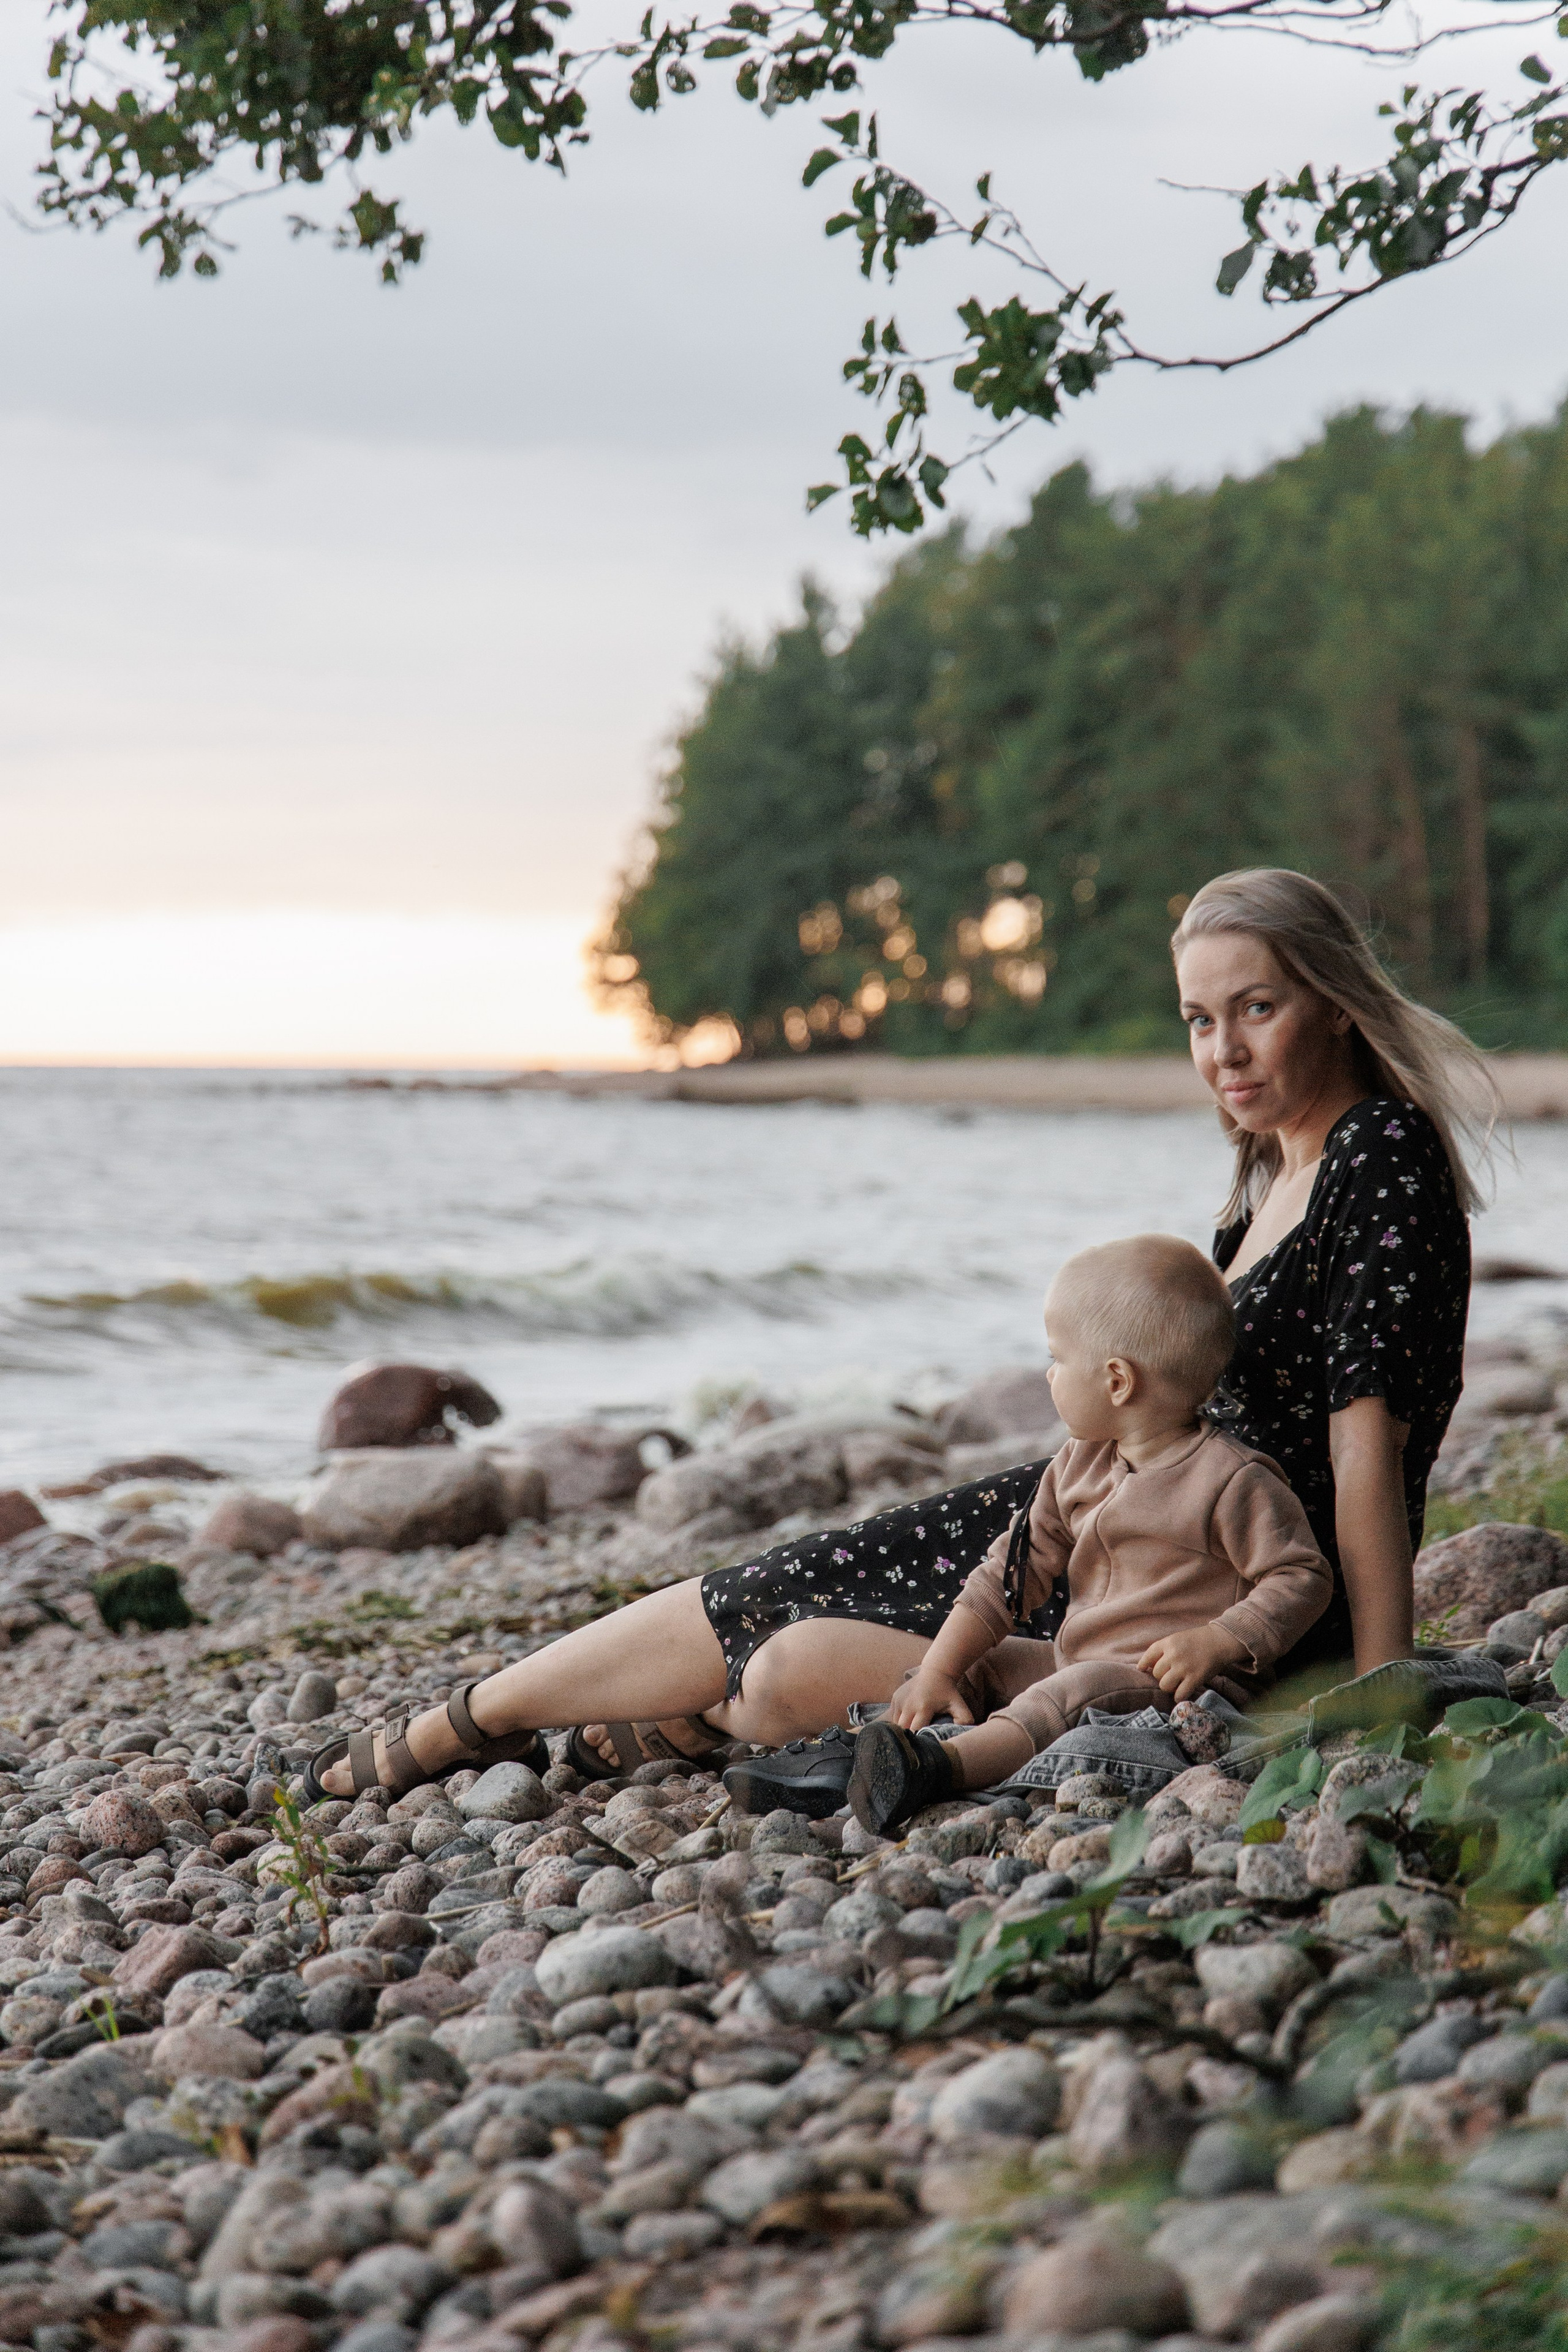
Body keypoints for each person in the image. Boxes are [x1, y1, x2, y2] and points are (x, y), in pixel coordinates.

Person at [312, 867, 1494, 1808]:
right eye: (1198, 1019)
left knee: (787, 1656)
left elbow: (1367, 1450)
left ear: (1335, 1002)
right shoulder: (1266, 1180)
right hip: (1118, 1520)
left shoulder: (1377, 1157)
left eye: (1257, 1009)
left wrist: (1375, 1686)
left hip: (1213, 1589)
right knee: (799, 1577)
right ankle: (479, 1721)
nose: (1222, 1051)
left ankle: (607, 1721)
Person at [845, 1233, 1332, 1834]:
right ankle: (880, 1749)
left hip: (1174, 1688)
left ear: (1117, 1381)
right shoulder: (1079, 1462)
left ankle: (942, 1767)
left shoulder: (1231, 1480)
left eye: (1057, 1358)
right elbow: (1009, 1574)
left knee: (1071, 1692)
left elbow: (1302, 1576)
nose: (1049, 1374)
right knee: (985, 1666)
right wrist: (939, 1671)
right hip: (1079, 1660)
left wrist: (1222, 1639)